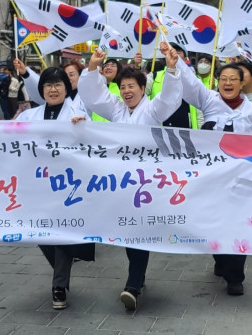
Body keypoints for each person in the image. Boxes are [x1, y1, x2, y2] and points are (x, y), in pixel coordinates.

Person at [172, 51, 252, 297]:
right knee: (216, 222)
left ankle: (236, 277)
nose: (227, 83)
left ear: (242, 82)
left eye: (233, 79)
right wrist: (175, 57)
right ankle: (221, 260)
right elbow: (190, 81)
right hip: (211, 180)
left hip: (241, 182)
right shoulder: (208, 101)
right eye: (223, 78)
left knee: (238, 224)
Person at [78, 42, 183, 311]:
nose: (126, 91)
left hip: (147, 182)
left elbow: (170, 98)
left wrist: (171, 70)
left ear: (142, 87)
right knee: (129, 231)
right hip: (121, 183)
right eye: (122, 87)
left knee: (139, 231)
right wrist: (92, 68)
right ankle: (137, 277)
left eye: (131, 86)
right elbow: (93, 96)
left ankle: (133, 284)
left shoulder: (153, 109)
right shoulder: (116, 109)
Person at [0, 66, 92, 310]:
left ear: (66, 88)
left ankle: (58, 286)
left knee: (60, 233)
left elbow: (91, 144)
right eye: (48, 85)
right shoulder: (29, 116)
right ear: (41, 90)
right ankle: (63, 269)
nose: (53, 89)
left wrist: (84, 128)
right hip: (35, 185)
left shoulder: (77, 113)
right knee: (41, 233)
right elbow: (7, 134)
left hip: (65, 186)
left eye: (58, 84)